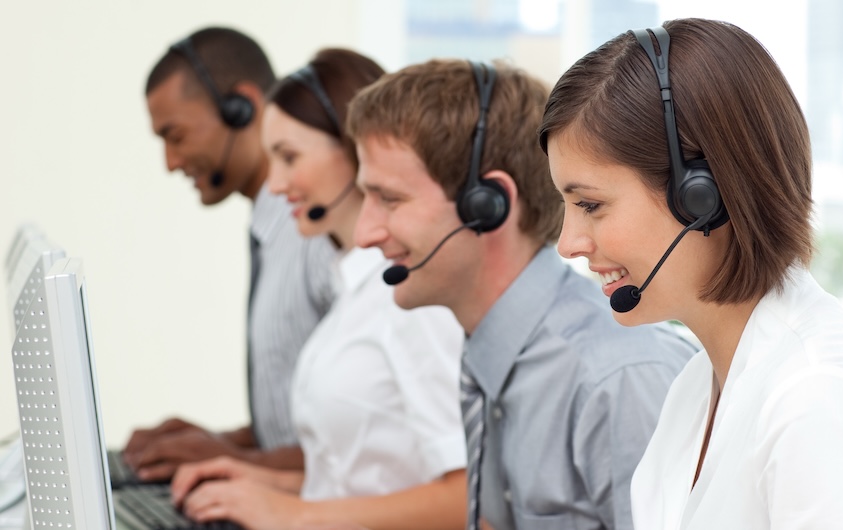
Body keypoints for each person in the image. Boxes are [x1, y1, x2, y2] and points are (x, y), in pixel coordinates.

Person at [539, 18, 843, 529]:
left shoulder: (820, 401)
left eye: (591, 204)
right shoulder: (701, 385)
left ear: (704, 196)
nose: (568, 244)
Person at [349, 58, 696, 530]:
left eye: (389, 199)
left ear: (487, 206)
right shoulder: (493, 356)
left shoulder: (614, 380)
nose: (363, 233)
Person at [169, 48, 468, 530]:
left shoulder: (412, 297)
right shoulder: (352, 284)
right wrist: (256, 482)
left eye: (289, 157)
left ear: (356, 150)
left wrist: (294, 515)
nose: (277, 183)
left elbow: (468, 498)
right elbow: (353, 479)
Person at [126, 26, 338, 480]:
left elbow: (368, 447)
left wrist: (235, 463)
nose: (169, 162)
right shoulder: (273, 228)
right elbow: (306, 423)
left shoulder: (319, 233)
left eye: (176, 135)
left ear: (241, 107)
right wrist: (225, 442)